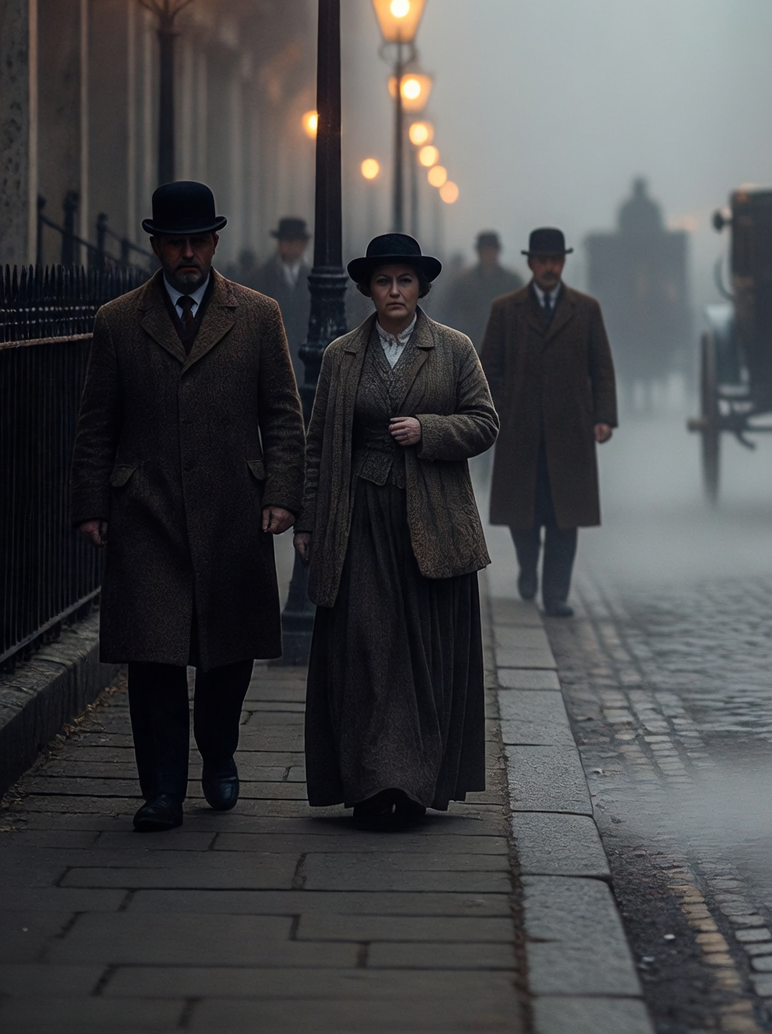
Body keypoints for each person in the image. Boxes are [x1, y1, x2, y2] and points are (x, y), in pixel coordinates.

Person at [68, 181, 304, 832]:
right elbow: (96, 424)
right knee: (155, 657)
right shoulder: (118, 321)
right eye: (176, 242)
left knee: (228, 655)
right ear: (157, 245)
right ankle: (163, 789)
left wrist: (283, 495)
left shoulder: (257, 316)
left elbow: (283, 416)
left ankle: (219, 752)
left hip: (234, 509)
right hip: (147, 510)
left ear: (216, 242)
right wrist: (92, 503)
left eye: (199, 240)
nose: (189, 254)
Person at [298, 233, 499, 829]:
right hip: (359, 517)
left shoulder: (455, 349)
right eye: (384, 282)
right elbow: (316, 445)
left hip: (431, 523)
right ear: (368, 289)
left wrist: (430, 431)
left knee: (422, 651)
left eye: (405, 282)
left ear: (421, 289)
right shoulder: (341, 356)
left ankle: (411, 786)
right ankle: (368, 784)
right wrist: (308, 520)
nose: (394, 292)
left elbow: (485, 423)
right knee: (366, 649)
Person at [483, 227, 618, 617]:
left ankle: (555, 593)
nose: (548, 267)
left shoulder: (585, 310)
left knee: (565, 516)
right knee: (523, 513)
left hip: (570, 429)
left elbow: (602, 368)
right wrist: (496, 411)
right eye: (541, 260)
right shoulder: (506, 310)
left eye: (555, 260)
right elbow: (488, 367)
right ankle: (528, 565)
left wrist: (604, 417)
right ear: (529, 262)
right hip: (519, 429)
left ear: (563, 263)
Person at [436, 229, 522, 344]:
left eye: (492, 251)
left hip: (503, 342)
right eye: (486, 251)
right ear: (479, 253)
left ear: (498, 252)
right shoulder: (464, 282)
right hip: (471, 342)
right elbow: (449, 312)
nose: (489, 255)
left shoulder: (511, 281)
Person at [241, 216, 312, 346]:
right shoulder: (261, 276)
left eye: (296, 241)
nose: (291, 246)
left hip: (304, 350)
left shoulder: (312, 277)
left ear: (303, 245)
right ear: (279, 243)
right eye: (287, 240)